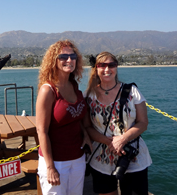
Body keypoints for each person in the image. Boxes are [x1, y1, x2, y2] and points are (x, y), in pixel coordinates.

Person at [83, 52, 152, 195]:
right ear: (96, 68)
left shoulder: (132, 91)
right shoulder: (89, 95)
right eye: (102, 65)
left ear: (117, 67)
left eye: (111, 65)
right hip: (101, 158)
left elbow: (143, 122)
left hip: (132, 156)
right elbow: (87, 126)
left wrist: (123, 139)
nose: (107, 69)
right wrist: (111, 142)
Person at [36, 40, 91, 195]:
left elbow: (75, 118)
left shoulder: (74, 85)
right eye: (63, 57)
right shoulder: (48, 90)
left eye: (72, 56)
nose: (69, 60)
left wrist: (86, 134)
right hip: (56, 162)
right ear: (54, 60)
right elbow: (41, 131)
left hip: (77, 158)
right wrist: (50, 167)